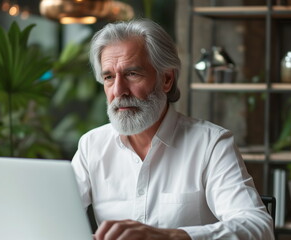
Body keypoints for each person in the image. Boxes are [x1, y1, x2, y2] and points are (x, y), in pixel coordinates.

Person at [71, 18, 275, 240]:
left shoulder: (211, 143)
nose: (119, 90)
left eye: (132, 74)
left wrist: (170, 237)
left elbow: (259, 227)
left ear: (166, 79)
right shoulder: (92, 145)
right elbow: (53, 215)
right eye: (109, 77)